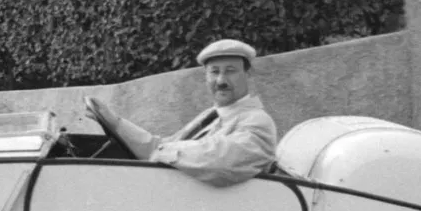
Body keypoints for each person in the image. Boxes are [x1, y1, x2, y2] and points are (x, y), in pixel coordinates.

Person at [85, 39, 277, 186]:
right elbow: (162, 145)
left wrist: (161, 153)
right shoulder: (209, 116)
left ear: (248, 74)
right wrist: (116, 123)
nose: (221, 81)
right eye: (214, 72)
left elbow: (219, 159)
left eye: (230, 71)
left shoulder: (257, 122)